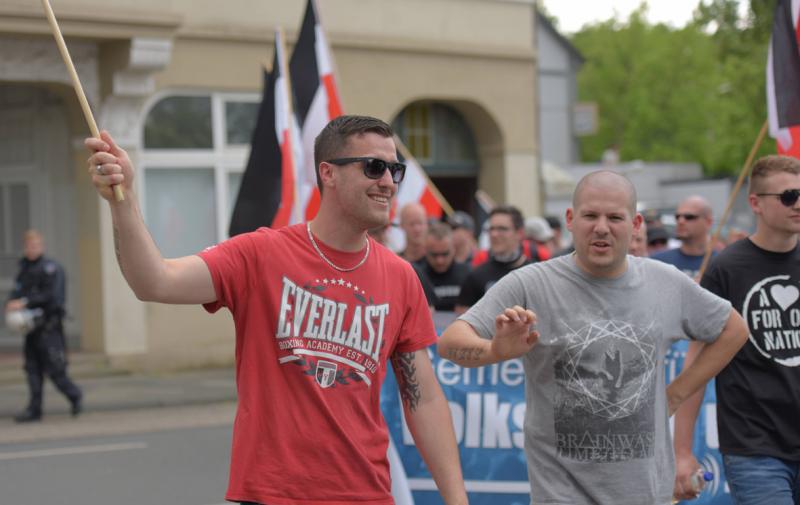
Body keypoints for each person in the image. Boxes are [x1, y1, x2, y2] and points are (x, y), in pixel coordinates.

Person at [85, 115, 467, 505]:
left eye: (394, 169)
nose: (387, 181)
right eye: (373, 167)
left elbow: (424, 399)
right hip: (273, 494)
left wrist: (456, 499)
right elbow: (155, 281)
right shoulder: (260, 254)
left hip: (366, 494)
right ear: (328, 173)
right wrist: (124, 200)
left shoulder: (401, 277)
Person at [438, 170, 748, 505]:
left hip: (646, 494)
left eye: (615, 217)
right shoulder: (531, 284)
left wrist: (675, 396)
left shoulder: (665, 283)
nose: (602, 227)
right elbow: (450, 342)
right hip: (561, 496)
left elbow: (734, 329)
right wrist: (494, 350)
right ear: (571, 219)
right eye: (590, 215)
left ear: (636, 224)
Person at [674, 155, 800, 504]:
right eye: (788, 196)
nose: (798, 204)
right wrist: (682, 452)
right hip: (754, 446)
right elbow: (697, 361)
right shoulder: (726, 268)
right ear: (755, 203)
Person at [5, 230, 82, 423]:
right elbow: (15, 293)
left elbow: (53, 298)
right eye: (29, 246)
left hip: (49, 329)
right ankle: (34, 409)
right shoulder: (24, 269)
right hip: (31, 330)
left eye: (36, 245)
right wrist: (11, 304)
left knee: (56, 370)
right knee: (32, 370)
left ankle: (75, 396)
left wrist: (25, 302)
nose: (32, 249)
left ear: (41, 246)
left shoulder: (51, 269)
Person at [455, 205, 529, 314]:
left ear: (519, 233)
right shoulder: (475, 276)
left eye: (502, 229)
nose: (494, 234)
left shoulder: (535, 272)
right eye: (491, 229)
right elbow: (462, 321)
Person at [651, 195, 714, 279]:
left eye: (689, 217)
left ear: (708, 222)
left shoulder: (722, 263)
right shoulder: (658, 262)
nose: (680, 221)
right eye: (677, 217)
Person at [416, 222, 470, 312]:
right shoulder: (416, 275)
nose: (440, 261)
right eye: (434, 255)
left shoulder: (467, 273)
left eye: (445, 254)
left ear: (453, 249)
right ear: (425, 250)